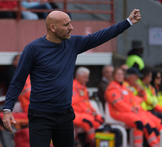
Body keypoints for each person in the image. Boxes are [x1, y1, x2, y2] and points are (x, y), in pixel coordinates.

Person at [2, 9, 141, 147]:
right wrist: (8, 109)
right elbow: (18, 81)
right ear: (53, 27)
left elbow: (101, 36)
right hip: (40, 116)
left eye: (70, 23)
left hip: (65, 115)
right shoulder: (32, 49)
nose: (71, 28)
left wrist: (128, 22)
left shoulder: (73, 44)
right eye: (66, 24)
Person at [105, 68, 160, 147]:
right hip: (118, 113)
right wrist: (131, 109)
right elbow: (118, 104)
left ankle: (156, 145)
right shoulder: (112, 88)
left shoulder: (124, 86)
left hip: (129, 111)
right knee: (138, 123)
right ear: (114, 76)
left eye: (121, 74)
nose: (120, 76)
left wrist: (135, 106)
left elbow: (132, 99)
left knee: (147, 124)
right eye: (118, 74)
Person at [72, 67, 104, 147]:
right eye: (85, 77)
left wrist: (92, 111)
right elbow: (74, 104)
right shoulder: (72, 87)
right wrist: (87, 111)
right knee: (87, 122)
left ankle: (89, 140)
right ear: (78, 76)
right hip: (74, 113)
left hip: (83, 113)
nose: (87, 80)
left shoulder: (83, 87)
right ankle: (92, 143)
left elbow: (87, 103)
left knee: (99, 120)